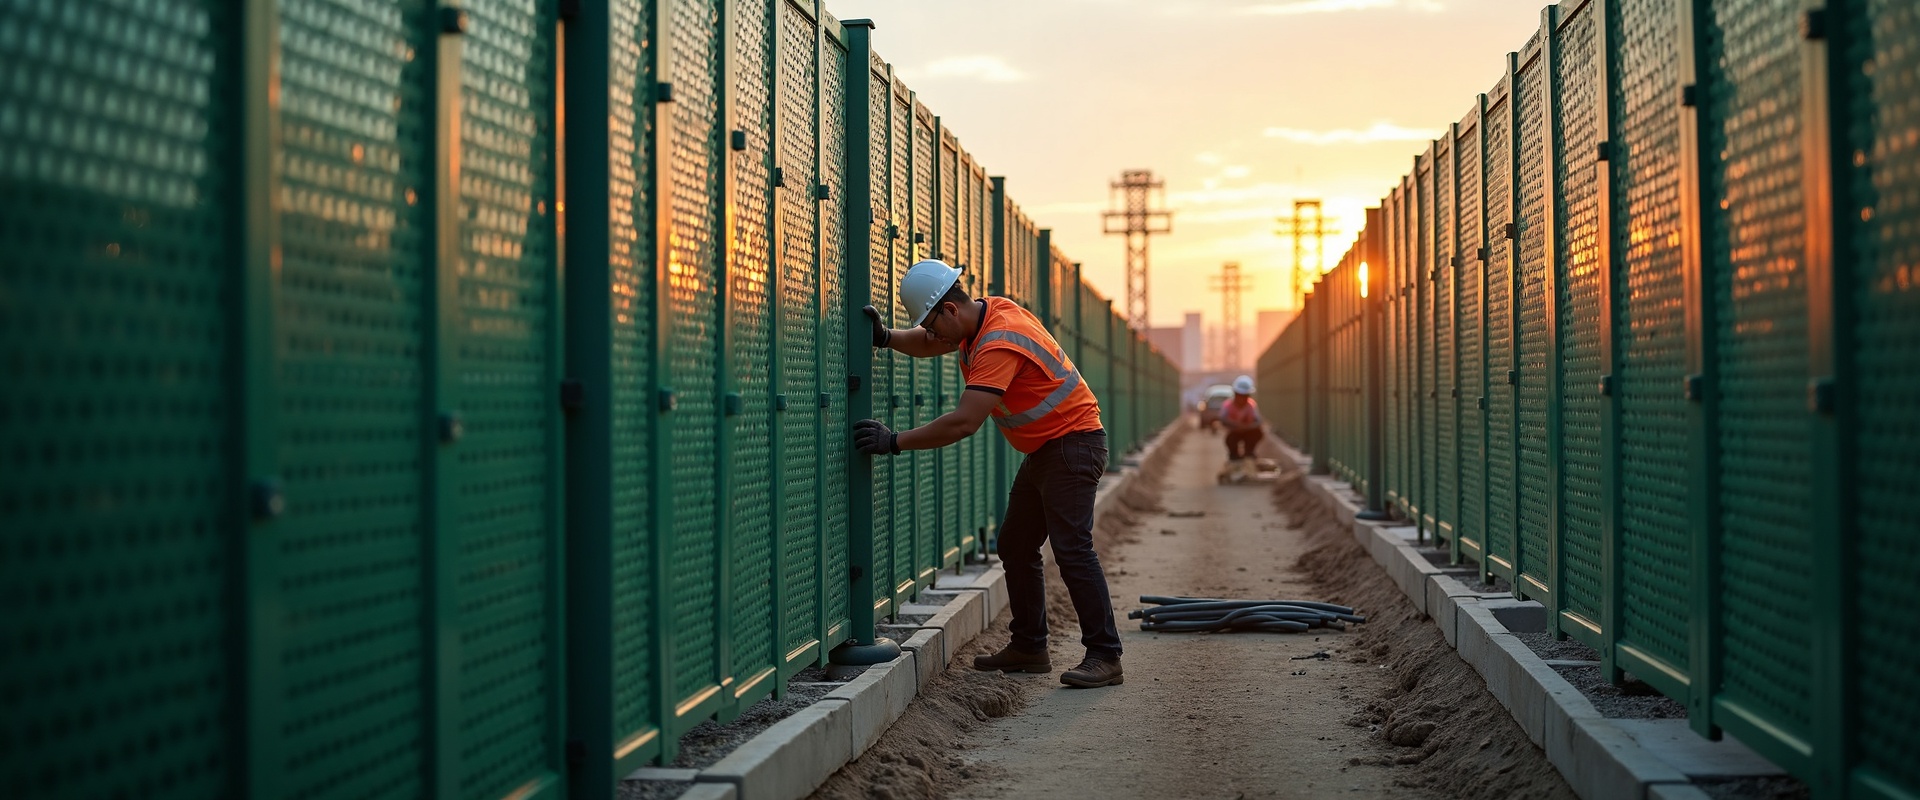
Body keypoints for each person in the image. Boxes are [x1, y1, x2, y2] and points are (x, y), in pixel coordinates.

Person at [850, 259, 1125, 688]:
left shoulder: (997, 341)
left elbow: (964, 421)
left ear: (950, 310)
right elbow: (929, 342)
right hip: (1050, 448)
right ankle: (1030, 647)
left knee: (1072, 549)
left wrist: (895, 441)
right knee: (1016, 545)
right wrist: (886, 338)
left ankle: (1106, 655)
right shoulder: (987, 314)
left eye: (932, 322)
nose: (932, 333)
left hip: (1072, 446)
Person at [1219, 375, 1264, 481]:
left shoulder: (1251, 406)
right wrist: (1235, 425)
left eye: (1245, 396)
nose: (1242, 399)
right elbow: (1222, 419)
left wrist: (1247, 427)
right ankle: (1234, 457)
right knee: (1230, 440)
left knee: (1257, 433)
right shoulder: (1228, 406)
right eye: (1240, 395)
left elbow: (1258, 421)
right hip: (1234, 432)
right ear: (1235, 394)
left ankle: (1249, 454)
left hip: (1248, 432)